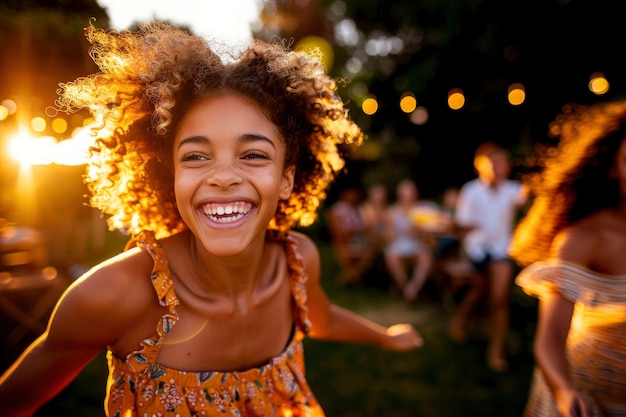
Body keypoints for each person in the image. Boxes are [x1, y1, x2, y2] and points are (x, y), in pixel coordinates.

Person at [0, 21, 423, 417]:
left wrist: (385, 337)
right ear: (172, 177)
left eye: (253, 154)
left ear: (286, 180)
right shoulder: (112, 295)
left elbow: (322, 318)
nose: (223, 177)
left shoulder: (297, 264)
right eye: (196, 156)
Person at [510, 99, 626, 417]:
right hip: (588, 398)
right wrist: (564, 391)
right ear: (614, 169)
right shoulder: (583, 240)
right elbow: (549, 339)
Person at [451, 141, 528, 371]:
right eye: (492, 163)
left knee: (499, 298)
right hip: (477, 250)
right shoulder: (471, 191)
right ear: (479, 166)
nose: (497, 167)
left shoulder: (514, 190)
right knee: (479, 290)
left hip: (501, 250)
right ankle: (460, 322)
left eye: (501, 162)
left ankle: (496, 350)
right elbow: (463, 225)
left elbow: (533, 199)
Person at [383, 179, 437, 302]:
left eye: (411, 192)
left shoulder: (422, 210)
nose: (409, 196)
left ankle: (414, 288)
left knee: (426, 256)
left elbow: (431, 231)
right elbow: (389, 235)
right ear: (400, 195)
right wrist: (393, 233)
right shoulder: (392, 212)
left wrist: (419, 231)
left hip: (417, 243)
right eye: (406, 193)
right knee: (392, 255)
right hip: (399, 242)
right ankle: (405, 286)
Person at [326, 186, 373, 286]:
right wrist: (357, 231)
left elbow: (361, 226)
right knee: (369, 255)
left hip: (356, 241)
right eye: (351, 193)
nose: (354, 196)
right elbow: (340, 230)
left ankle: (350, 278)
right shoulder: (339, 209)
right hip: (345, 243)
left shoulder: (355, 209)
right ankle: (350, 280)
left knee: (372, 253)